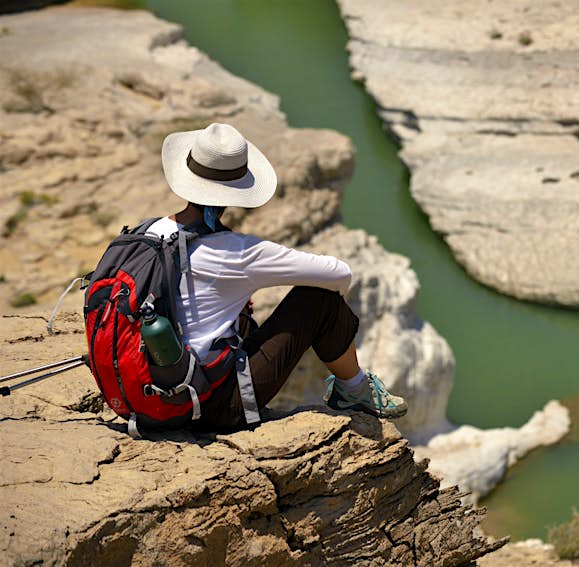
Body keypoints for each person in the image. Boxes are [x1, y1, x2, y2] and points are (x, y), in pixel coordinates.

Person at [146, 122, 406, 430]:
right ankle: (354, 389)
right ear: (237, 190)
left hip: (146, 393)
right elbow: (338, 274)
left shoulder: (148, 232)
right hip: (207, 406)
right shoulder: (237, 251)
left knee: (237, 315)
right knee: (318, 299)